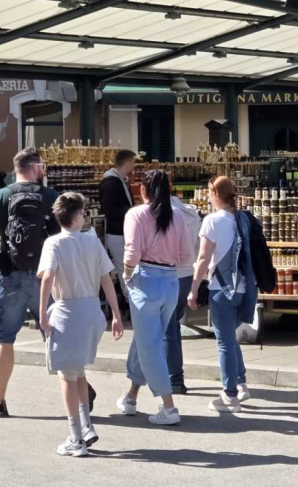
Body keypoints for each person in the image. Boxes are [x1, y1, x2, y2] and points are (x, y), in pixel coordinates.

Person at [0, 147, 61, 418]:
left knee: (5, 339)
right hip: (45, 276)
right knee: (56, 335)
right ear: (34, 167)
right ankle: (80, 390)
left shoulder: (0, 196)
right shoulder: (51, 196)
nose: (45, 169)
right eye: (43, 165)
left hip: (11, 276)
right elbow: (64, 240)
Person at [37, 192, 125, 457]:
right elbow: (107, 279)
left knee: (66, 375)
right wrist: (117, 314)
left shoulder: (53, 244)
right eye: (84, 213)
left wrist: (42, 313)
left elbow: (47, 278)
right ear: (77, 217)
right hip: (91, 311)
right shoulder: (92, 241)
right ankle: (86, 426)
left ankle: (76, 437)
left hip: (67, 311)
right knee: (78, 371)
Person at [116, 169, 193, 426]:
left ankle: (168, 406)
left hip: (145, 279)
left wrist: (127, 275)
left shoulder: (135, 214)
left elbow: (131, 252)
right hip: (170, 280)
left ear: (142, 190)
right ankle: (131, 396)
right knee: (145, 338)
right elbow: (185, 256)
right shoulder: (178, 217)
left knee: (149, 344)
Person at [188, 176, 259, 413]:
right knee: (230, 338)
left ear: (216, 193)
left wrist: (194, 288)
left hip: (221, 288)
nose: (208, 197)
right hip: (242, 287)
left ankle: (230, 395)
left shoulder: (211, 221)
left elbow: (203, 259)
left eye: (209, 192)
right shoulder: (242, 219)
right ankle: (240, 383)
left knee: (224, 342)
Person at [167, 187, 202, 395]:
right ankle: (173, 377)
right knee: (173, 327)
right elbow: (197, 247)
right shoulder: (191, 213)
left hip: (171, 274)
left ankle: (175, 379)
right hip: (187, 274)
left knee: (168, 330)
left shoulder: (167, 215)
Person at [100, 150, 137, 284]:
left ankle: (129, 299)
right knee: (124, 270)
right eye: (133, 163)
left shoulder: (122, 181)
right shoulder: (111, 183)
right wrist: (131, 211)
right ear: (127, 163)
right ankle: (129, 300)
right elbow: (110, 210)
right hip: (117, 233)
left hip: (123, 232)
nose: (134, 166)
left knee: (127, 269)